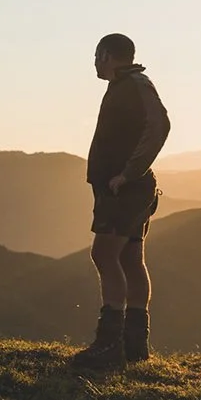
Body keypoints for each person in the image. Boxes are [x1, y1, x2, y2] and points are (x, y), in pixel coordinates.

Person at [70, 32, 171, 371]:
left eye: (97, 55)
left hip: (126, 189)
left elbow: (159, 126)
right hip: (126, 188)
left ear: (109, 55)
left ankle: (109, 344)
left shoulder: (135, 85)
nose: (94, 63)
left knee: (103, 254)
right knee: (129, 257)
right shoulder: (128, 85)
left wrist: (127, 173)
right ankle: (134, 344)